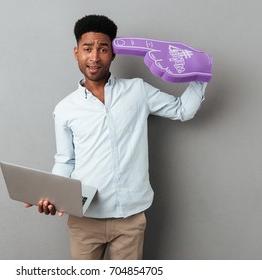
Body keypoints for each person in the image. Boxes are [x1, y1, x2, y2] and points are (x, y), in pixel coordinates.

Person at [25, 14, 207, 260]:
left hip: (130, 219)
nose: (94, 57)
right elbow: (65, 160)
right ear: (76, 52)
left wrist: (201, 75)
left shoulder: (138, 91)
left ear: (113, 54)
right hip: (85, 219)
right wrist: (52, 194)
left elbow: (182, 110)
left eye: (103, 49)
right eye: (88, 49)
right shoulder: (65, 108)